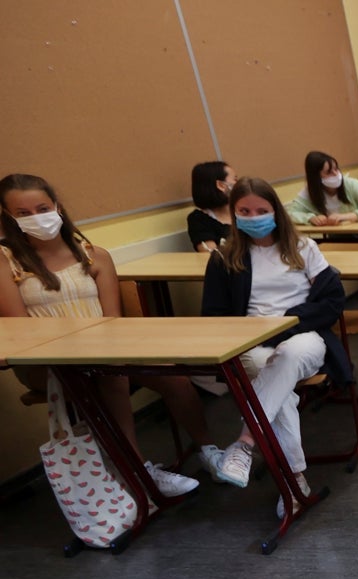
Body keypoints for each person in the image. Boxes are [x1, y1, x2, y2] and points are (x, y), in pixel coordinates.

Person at [0, 173, 216, 496]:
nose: (36, 219)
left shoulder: (94, 255)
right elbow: (20, 327)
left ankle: (209, 451)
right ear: (7, 219)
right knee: (111, 377)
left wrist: (102, 347)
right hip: (43, 359)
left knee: (175, 378)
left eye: (42, 208)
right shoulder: (6, 262)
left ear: (57, 207)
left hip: (103, 347)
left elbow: (113, 320)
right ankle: (138, 472)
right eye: (23, 214)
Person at [201, 177, 348, 519]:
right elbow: (214, 317)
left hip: (304, 336)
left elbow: (332, 302)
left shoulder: (303, 248)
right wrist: (257, 331)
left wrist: (289, 319)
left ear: (276, 211)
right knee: (278, 385)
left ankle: (245, 443)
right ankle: (294, 480)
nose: (254, 217)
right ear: (234, 215)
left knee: (290, 355)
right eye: (244, 211)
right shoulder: (224, 258)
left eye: (262, 210)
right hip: (253, 345)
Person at [284, 151, 358, 226]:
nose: (336, 174)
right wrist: (310, 218)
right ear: (316, 178)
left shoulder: (352, 184)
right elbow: (288, 215)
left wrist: (348, 216)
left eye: (336, 169)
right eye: (329, 172)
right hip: (331, 239)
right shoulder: (309, 193)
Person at [187, 161, 237, 253]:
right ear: (221, 185)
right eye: (235, 180)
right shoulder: (199, 219)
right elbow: (210, 254)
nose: (239, 184)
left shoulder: (244, 210)